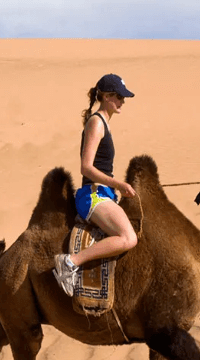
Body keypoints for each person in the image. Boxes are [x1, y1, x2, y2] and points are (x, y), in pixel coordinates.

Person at [53, 73, 138, 296]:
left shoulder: (104, 124)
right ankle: (70, 262)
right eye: (120, 97)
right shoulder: (96, 123)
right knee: (128, 238)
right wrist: (118, 183)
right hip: (92, 195)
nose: (122, 102)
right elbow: (86, 167)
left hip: (103, 193)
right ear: (107, 96)